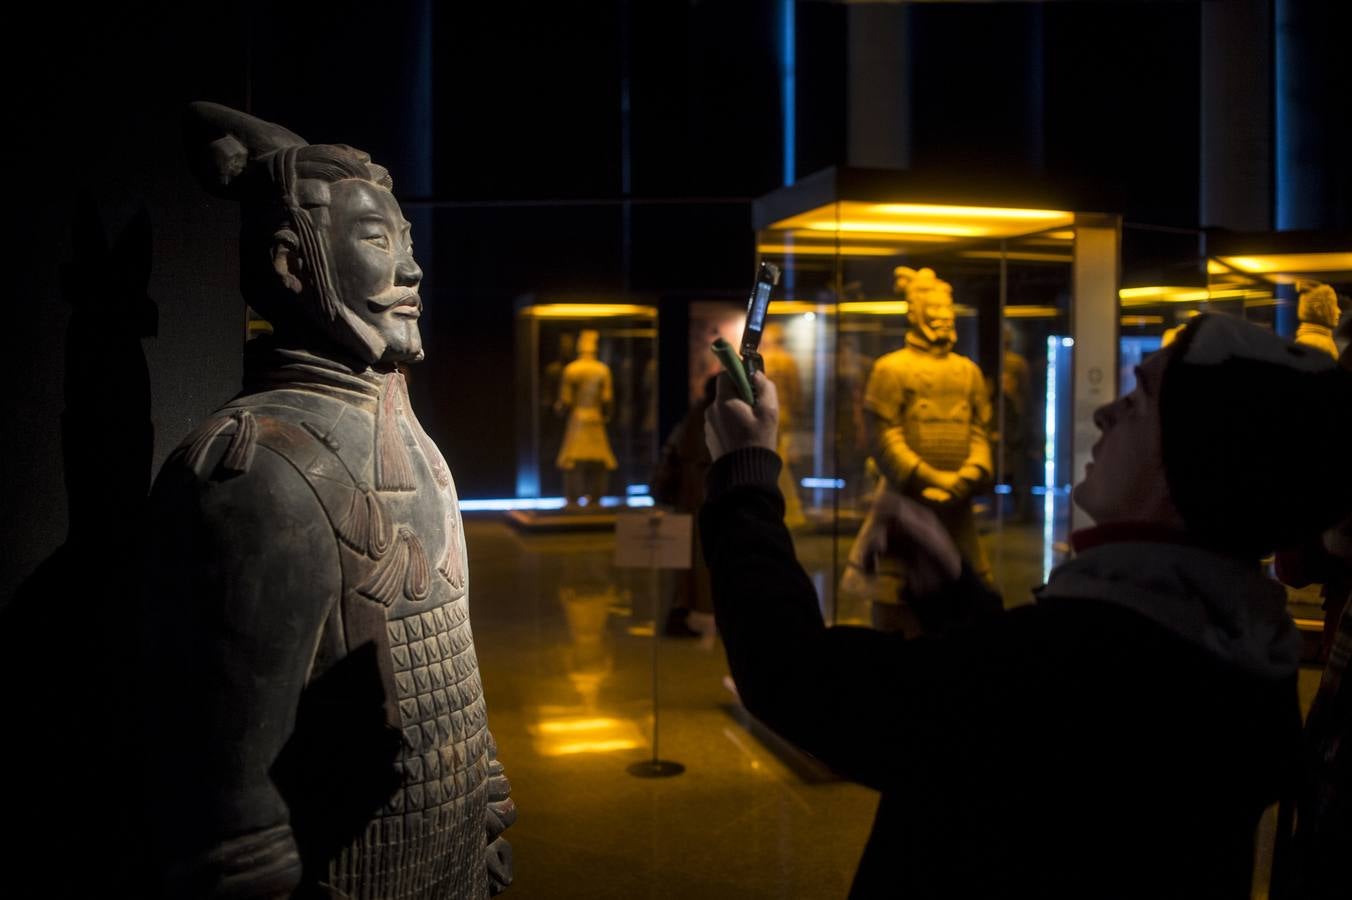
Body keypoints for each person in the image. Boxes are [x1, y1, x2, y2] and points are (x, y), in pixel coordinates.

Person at [701, 312, 1352, 898]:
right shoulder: (1230, 644)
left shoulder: (1088, 657)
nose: (1106, 413)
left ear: (1193, 459)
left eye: (1140, 398)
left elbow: (795, 676)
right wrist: (960, 598)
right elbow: (1023, 754)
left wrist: (747, 474)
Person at [144, 103, 513, 897]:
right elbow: (232, 814)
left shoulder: (416, 444)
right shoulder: (255, 475)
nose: (412, 270)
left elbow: (453, 664)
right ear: (291, 262)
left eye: (406, 242)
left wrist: (483, 795)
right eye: (378, 240)